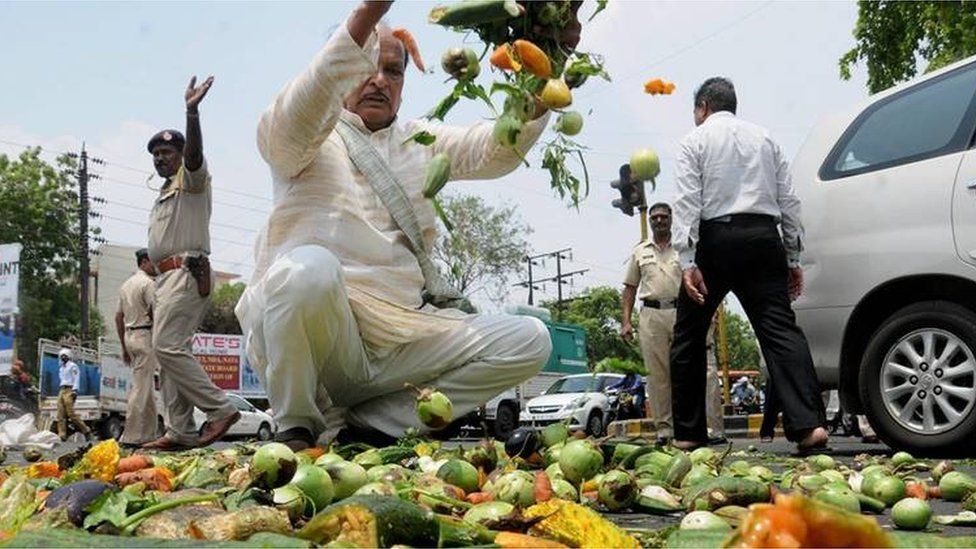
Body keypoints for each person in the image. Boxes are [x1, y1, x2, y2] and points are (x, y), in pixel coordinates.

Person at [235, 1, 581, 450]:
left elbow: (494, 148)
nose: (380, 80)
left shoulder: (422, 140)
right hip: (322, 343)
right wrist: (366, 15)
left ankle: (377, 424)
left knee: (530, 339)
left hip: (401, 340)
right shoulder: (305, 134)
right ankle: (297, 427)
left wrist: (547, 58)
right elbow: (300, 112)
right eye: (367, 66)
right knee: (308, 271)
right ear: (340, 69)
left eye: (394, 72)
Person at [669, 77, 828, 453]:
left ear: (703, 107)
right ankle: (809, 427)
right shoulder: (766, 138)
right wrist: (793, 256)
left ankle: (689, 433)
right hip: (762, 238)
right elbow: (789, 200)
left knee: (689, 337)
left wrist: (687, 260)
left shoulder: (695, 141)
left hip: (715, 240)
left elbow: (688, 201)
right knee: (780, 331)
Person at [142, 77, 240, 449]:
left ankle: (219, 410)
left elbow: (196, 156)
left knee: (167, 347)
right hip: (165, 280)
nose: (160, 158)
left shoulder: (192, 180)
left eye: (167, 152)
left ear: (181, 156)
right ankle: (180, 430)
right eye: (155, 154)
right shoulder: (165, 192)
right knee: (168, 353)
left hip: (187, 272)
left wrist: (192, 112)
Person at [621, 202, 681, 444]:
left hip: (681, 313)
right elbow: (629, 289)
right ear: (650, 221)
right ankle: (665, 429)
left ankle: (688, 426)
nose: (658, 221)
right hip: (651, 316)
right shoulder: (640, 251)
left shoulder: (683, 247)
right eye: (654, 217)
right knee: (657, 376)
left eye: (663, 217)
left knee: (685, 372)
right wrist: (626, 322)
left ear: (670, 219)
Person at [114, 248, 159, 446]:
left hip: (130, 336)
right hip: (144, 335)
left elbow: (118, 316)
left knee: (146, 386)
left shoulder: (126, 285)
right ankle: (130, 435)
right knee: (141, 388)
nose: (156, 266)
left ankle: (150, 434)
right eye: (154, 262)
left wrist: (124, 346)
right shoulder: (148, 283)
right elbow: (156, 312)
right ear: (145, 262)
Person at [57, 348, 93, 441]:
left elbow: (76, 378)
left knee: (71, 414)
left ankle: (86, 430)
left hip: (69, 390)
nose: (63, 357)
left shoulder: (73, 366)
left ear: (68, 356)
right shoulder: (61, 368)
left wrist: (75, 390)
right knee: (60, 414)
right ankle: (62, 434)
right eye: (62, 356)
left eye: (65, 356)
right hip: (62, 389)